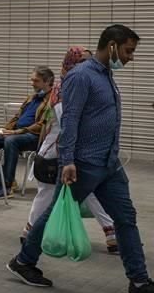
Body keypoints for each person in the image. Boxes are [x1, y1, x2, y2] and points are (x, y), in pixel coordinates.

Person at [8, 24, 154, 293]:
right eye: (128, 50)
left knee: (126, 218)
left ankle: (138, 280)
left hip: (109, 164)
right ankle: (24, 261)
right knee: (54, 213)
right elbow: (70, 120)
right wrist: (68, 161)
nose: (130, 57)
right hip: (85, 163)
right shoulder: (81, 76)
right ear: (112, 46)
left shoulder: (106, 75)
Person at [21, 46, 117, 253]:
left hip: (70, 153)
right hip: (56, 153)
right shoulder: (65, 89)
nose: (88, 67)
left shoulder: (76, 85)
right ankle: (29, 238)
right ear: (70, 64)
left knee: (88, 190)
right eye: (83, 62)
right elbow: (68, 123)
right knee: (47, 194)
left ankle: (111, 232)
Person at [0, 66, 53, 199]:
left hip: (34, 136)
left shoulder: (51, 100)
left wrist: (18, 132)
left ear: (47, 82)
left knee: (11, 141)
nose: (32, 83)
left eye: (36, 81)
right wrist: (7, 130)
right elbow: (17, 117)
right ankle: (2, 179)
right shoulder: (31, 98)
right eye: (32, 80)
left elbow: (43, 125)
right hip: (16, 133)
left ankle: (7, 186)